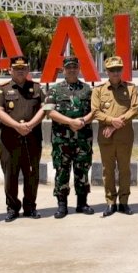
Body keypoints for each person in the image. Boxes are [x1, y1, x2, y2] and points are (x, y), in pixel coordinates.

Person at [0, 55, 46, 222]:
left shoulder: (36, 88)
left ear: (28, 70)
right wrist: (17, 126)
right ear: (10, 70)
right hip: (10, 140)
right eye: (16, 68)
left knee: (32, 173)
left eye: (23, 68)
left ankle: (30, 206)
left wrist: (30, 125)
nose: (20, 71)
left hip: (32, 139)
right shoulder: (2, 89)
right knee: (10, 175)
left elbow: (45, 108)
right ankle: (12, 208)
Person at [44, 56, 95, 219]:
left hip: (83, 139)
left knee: (82, 171)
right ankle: (62, 205)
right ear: (63, 70)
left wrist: (82, 121)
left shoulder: (88, 89)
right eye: (68, 67)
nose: (72, 70)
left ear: (79, 68)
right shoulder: (55, 90)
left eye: (74, 67)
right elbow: (49, 111)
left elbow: (94, 111)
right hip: (62, 141)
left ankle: (82, 203)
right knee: (62, 171)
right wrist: (70, 122)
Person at [91, 56, 138, 216]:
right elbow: (95, 111)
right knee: (108, 170)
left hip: (124, 137)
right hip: (106, 138)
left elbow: (134, 109)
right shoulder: (98, 90)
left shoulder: (131, 88)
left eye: (118, 69)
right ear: (107, 72)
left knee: (125, 170)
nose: (115, 73)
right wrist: (112, 122)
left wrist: (115, 124)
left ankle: (124, 202)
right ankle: (110, 202)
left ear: (122, 70)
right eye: (112, 70)